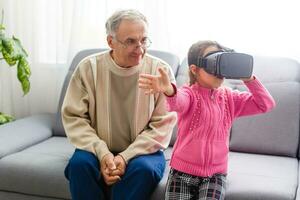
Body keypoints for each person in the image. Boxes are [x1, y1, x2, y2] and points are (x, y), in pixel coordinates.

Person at [62, 9, 177, 200]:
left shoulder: (160, 71)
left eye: (144, 40)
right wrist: (103, 154)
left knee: (143, 170)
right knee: (79, 166)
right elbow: (75, 118)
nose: (140, 48)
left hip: (144, 152)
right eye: (131, 41)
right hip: (96, 148)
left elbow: (162, 126)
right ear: (110, 41)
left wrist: (124, 157)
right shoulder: (88, 68)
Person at [138, 40, 276, 200]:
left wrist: (248, 78)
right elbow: (178, 101)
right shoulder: (190, 94)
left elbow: (266, 104)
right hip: (181, 173)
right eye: (212, 63)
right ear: (194, 70)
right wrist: (169, 90)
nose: (218, 72)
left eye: (221, 63)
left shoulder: (230, 98)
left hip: (215, 175)